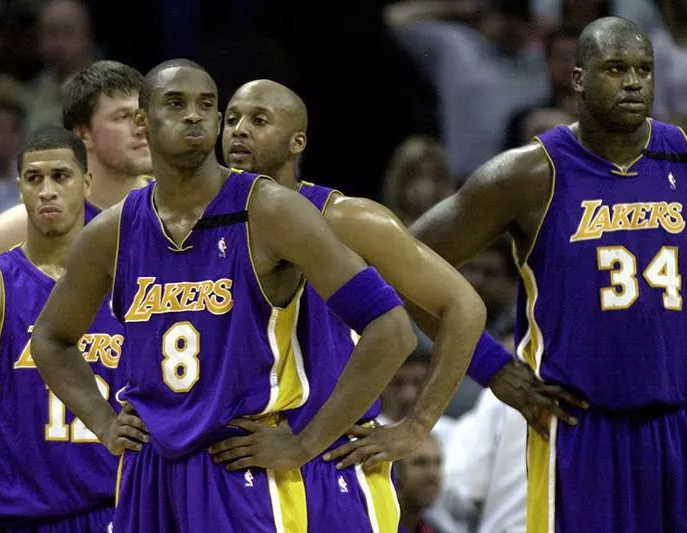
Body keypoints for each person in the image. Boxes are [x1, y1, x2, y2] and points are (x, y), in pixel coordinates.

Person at [29, 59, 418, 532]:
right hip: (147, 466)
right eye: (176, 104)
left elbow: (392, 329)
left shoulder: (271, 210)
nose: (194, 115)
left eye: (206, 105)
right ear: (142, 122)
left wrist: (306, 443)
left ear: (215, 123)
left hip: (239, 462)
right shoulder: (113, 230)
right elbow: (50, 337)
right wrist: (104, 422)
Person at [411, 16, 687, 533]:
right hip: (584, 428)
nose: (633, 81)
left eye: (644, 70)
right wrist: (491, 367)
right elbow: (405, 264)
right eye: (616, 68)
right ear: (577, 79)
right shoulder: (527, 175)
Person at [219, 79, 585, 460]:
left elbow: (463, 306)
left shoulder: (345, 217)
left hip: (326, 458)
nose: (240, 129)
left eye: (259, 120)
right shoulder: (204, 226)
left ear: (297, 142)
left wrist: (418, 425)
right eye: (231, 119)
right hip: (244, 450)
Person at [0, 126, 133, 532]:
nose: (47, 190)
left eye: (60, 176)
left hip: (122, 507)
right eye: (34, 178)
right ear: (19, 188)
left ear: (87, 182)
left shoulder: (133, 280)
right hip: (24, 515)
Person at [0, 60, 150, 392]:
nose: (140, 128)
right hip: (46, 435)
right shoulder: (26, 224)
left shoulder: (175, 214)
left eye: (142, 116)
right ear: (83, 134)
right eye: (122, 117)